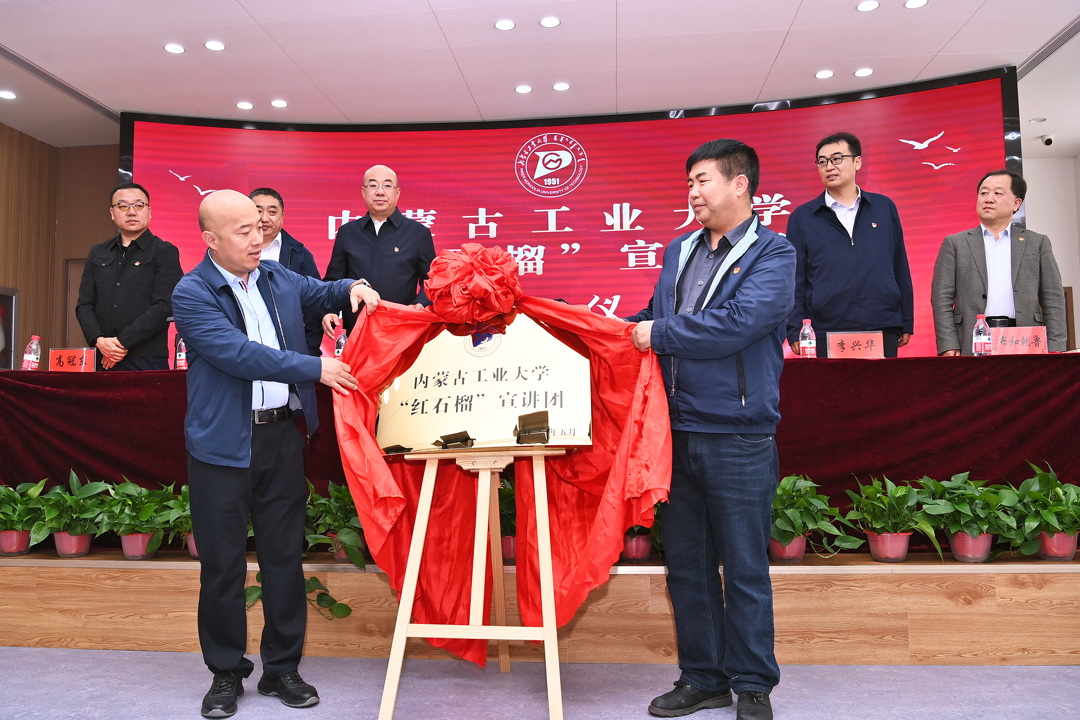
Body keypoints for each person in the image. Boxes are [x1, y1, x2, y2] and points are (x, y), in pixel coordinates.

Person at [171, 190, 380, 718]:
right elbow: (236, 354)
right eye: (243, 230)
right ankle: (225, 672)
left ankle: (282, 668)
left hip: (281, 436)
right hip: (222, 446)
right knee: (222, 565)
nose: (258, 237)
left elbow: (320, 290)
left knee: (284, 559)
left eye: (261, 226)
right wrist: (315, 368)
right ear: (210, 239)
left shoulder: (276, 274)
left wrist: (352, 287)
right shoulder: (192, 291)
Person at [627, 139, 795, 720]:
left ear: (740, 183)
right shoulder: (679, 250)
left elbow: (738, 323)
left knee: (744, 566)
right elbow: (656, 317)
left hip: (739, 433)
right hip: (676, 429)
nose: (693, 193)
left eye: (703, 180)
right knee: (688, 566)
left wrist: (657, 333)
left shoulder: (774, 253)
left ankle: (753, 684)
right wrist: (610, 328)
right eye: (690, 183)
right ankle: (702, 678)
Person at [785, 132, 914, 357]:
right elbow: (794, 278)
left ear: (857, 162)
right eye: (822, 161)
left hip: (882, 323)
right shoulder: (803, 217)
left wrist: (906, 319)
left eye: (837, 159)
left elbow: (899, 265)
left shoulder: (884, 207)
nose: (829, 167)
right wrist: (795, 328)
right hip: (824, 329)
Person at [931, 169, 1066, 355]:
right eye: (984, 193)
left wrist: (1056, 346)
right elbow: (941, 298)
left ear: (1016, 203)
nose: (988, 199)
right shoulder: (955, 244)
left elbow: (1053, 297)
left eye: (998, 193)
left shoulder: (1037, 242)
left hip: (1026, 340)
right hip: (974, 340)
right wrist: (948, 344)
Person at [75, 182, 183, 370]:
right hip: (103, 356)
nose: (131, 212)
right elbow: (84, 304)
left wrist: (122, 343)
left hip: (147, 358)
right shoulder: (98, 252)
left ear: (149, 211)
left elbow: (165, 306)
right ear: (112, 213)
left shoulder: (164, 251)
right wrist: (99, 340)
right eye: (123, 206)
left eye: (139, 205)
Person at [322, 164, 435, 335]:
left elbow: (431, 279)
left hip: (402, 328)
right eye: (373, 185)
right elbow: (334, 280)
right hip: (358, 329)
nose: (380, 192)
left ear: (397, 193)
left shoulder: (418, 233)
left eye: (387, 185)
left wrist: (420, 304)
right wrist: (329, 310)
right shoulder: (347, 232)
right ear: (363, 192)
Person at [249, 188, 325, 356]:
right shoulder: (232, 252)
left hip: (290, 352)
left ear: (282, 216)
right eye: (258, 211)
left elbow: (316, 307)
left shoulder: (299, 254)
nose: (264, 218)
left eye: (272, 212)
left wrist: (308, 352)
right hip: (246, 351)